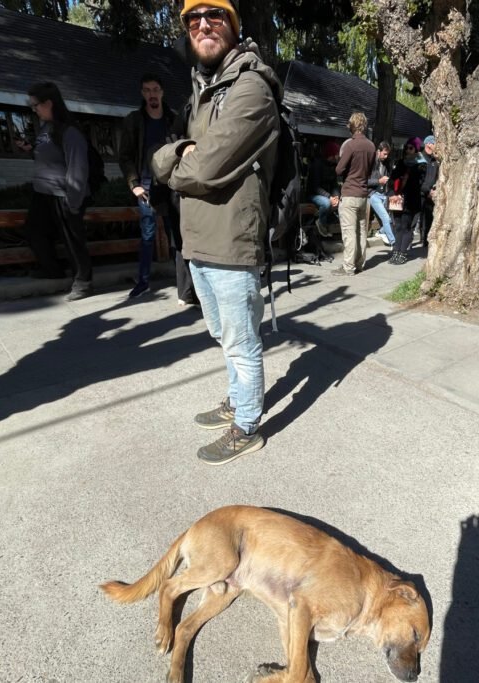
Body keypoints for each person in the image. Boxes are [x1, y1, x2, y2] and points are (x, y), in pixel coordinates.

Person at [151, 0, 280, 464]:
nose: (203, 24)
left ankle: (247, 426)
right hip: (199, 239)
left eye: (215, 15)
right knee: (223, 337)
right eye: (193, 17)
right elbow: (185, 157)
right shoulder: (203, 90)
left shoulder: (251, 89)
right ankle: (237, 400)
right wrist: (180, 153)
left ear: (233, 25)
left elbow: (202, 168)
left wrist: (172, 159)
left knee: (243, 343)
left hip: (231, 241)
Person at [119, 73, 194, 303]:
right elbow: (125, 156)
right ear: (143, 93)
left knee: (179, 236)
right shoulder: (134, 121)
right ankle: (143, 282)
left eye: (155, 89)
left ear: (162, 92)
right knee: (148, 235)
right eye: (147, 90)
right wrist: (134, 185)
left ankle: (186, 290)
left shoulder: (173, 119)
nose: (152, 94)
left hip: (171, 183)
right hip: (146, 183)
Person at [21, 82, 94, 301]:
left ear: (48, 103)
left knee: (72, 239)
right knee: (35, 231)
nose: (34, 109)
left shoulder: (68, 131)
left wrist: (73, 201)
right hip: (43, 192)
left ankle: (83, 282)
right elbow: (46, 158)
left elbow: (77, 166)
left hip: (65, 193)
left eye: (36, 105)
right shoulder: (44, 129)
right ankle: (51, 269)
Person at [330, 112, 376, 276]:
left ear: (352, 125)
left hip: (349, 192)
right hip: (364, 194)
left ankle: (348, 267)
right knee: (361, 231)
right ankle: (359, 263)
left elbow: (339, 170)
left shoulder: (350, 145)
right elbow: (370, 171)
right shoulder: (371, 146)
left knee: (349, 232)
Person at [387, 137, 426, 264]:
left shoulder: (421, 165)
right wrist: (393, 193)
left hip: (411, 200)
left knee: (406, 226)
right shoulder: (400, 163)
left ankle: (403, 252)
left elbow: (420, 185)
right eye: (407, 147)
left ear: (416, 149)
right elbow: (391, 180)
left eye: (411, 148)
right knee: (397, 226)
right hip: (397, 199)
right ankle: (396, 251)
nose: (408, 150)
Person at [307, 140, 340, 237]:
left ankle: (321, 217)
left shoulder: (333, 166)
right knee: (326, 203)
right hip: (313, 194)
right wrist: (330, 197)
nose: (338, 156)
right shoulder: (317, 165)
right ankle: (322, 224)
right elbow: (315, 187)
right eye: (337, 153)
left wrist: (336, 196)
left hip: (327, 195)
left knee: (338, 202)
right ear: (332, 154)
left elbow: (334, 184)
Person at [367, 141, 395, 246]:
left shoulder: (387, 163)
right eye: (385, 154)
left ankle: (382, 231)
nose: (386, 156)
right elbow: (364, 181)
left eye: (388, 154)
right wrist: (379, 181)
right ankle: (393, 242)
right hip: (372, 193)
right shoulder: (370, 161)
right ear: (378, 151)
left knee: (391, 218)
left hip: (384, 193)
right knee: (386, 218)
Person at [419, 135, 440, 246]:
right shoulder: (419, 158)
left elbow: (438, 176)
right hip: (419, 192)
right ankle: (407, 244)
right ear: (429, 144)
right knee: (416, 216)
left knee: (428, 217)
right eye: (435, 144)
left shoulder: (435, 160)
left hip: (430, 193)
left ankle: (425, 240)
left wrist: (434, 189)